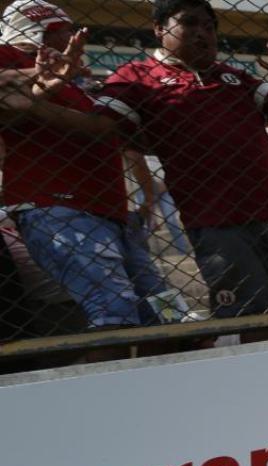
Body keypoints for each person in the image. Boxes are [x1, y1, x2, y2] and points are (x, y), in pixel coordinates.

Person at [21, 0, 268, 329]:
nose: (202, 33)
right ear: (160, 29)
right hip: (218, 225)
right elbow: (100, 127)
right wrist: (32, 107)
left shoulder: (233, 76)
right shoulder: (136, 77)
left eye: (209, 26)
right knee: (248, 323)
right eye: (190, 24)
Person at [0, 0, 173, 330]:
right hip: (58, 206)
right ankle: (111, 379)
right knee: (114, 309)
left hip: (110, 209)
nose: (75, 37)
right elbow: (10, 92)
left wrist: (58, 81)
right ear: (43, 29)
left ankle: (174, 362)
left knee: (163, 309)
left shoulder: (75, 78)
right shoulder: (10, 57)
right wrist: (43, 74)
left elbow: (111, 132)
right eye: (67, 29)